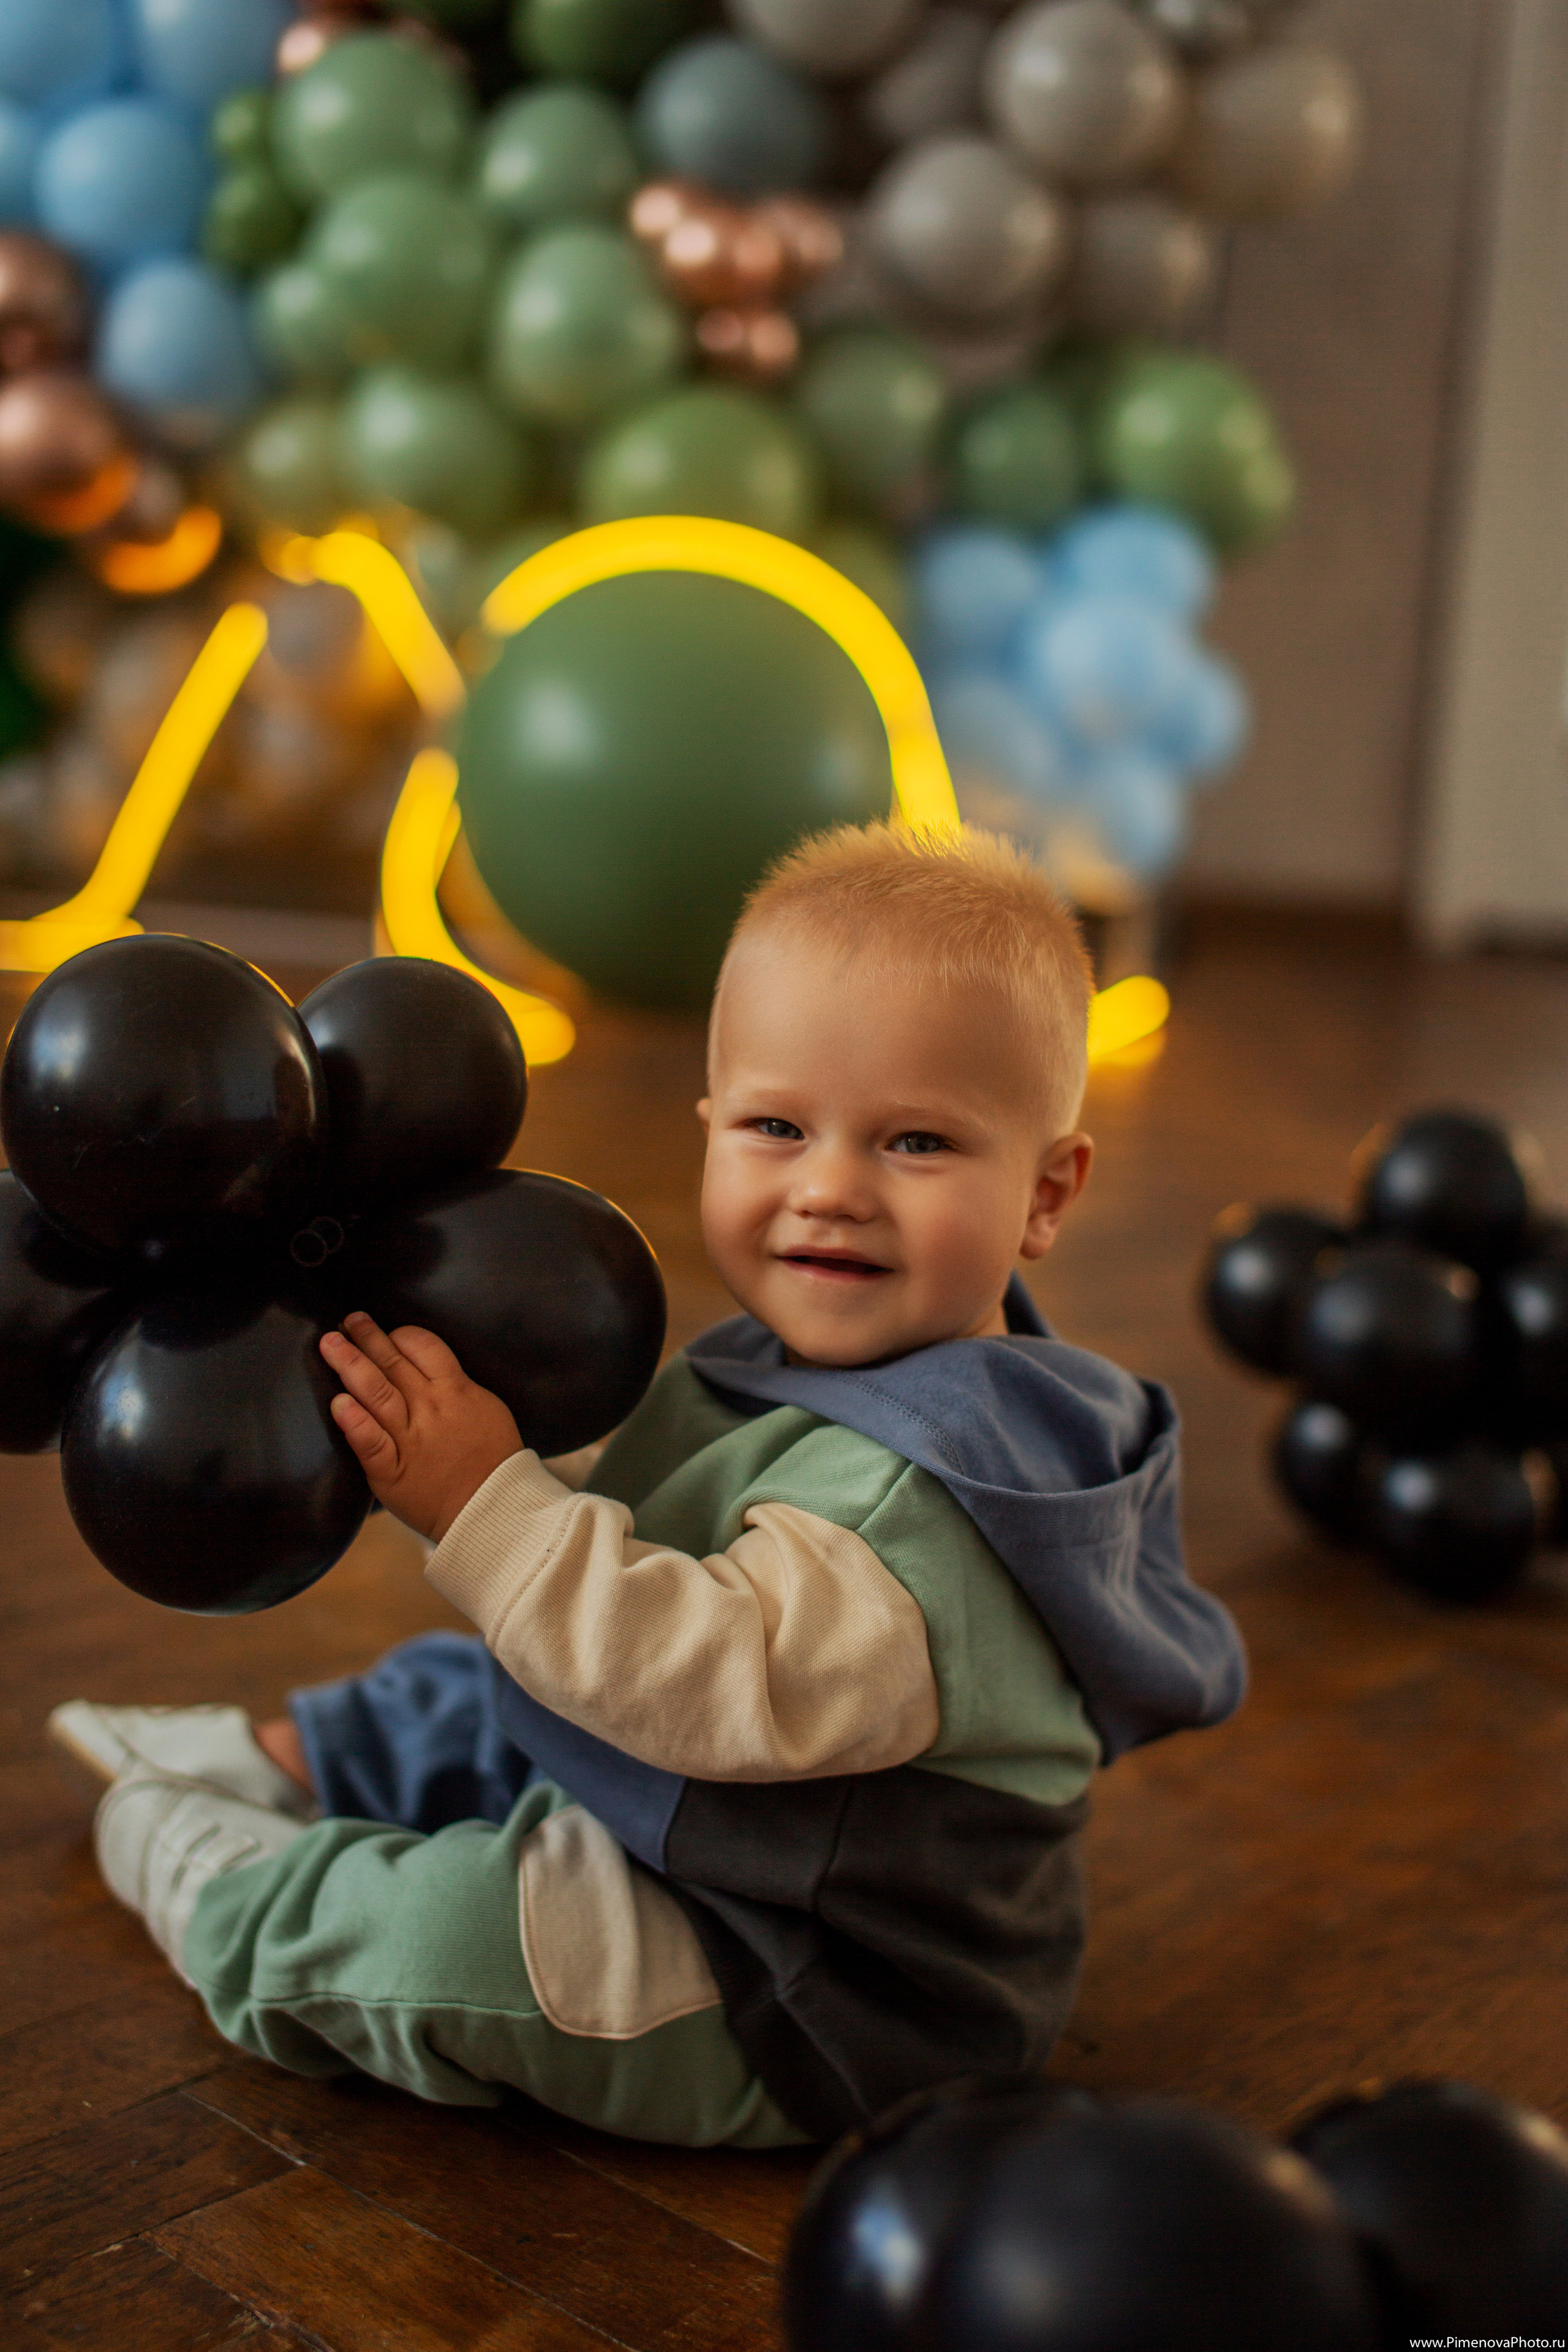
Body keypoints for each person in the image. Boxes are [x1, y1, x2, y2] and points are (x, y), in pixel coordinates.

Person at [49, 823, 1245, 2147]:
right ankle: (287, 1762)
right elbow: (653, 1530)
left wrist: (484, 1504)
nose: (829, 1189)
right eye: (777, 1126)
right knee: (479, 1680)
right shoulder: (834, 1358)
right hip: (718, 1826)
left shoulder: (932, 1503)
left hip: (800, 1982)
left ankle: (234, 1894)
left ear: (1044, 1190)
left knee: (446, 1933)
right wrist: (510, 1450)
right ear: (712, 1128)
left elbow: (712, 1682)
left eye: (914, 1143)